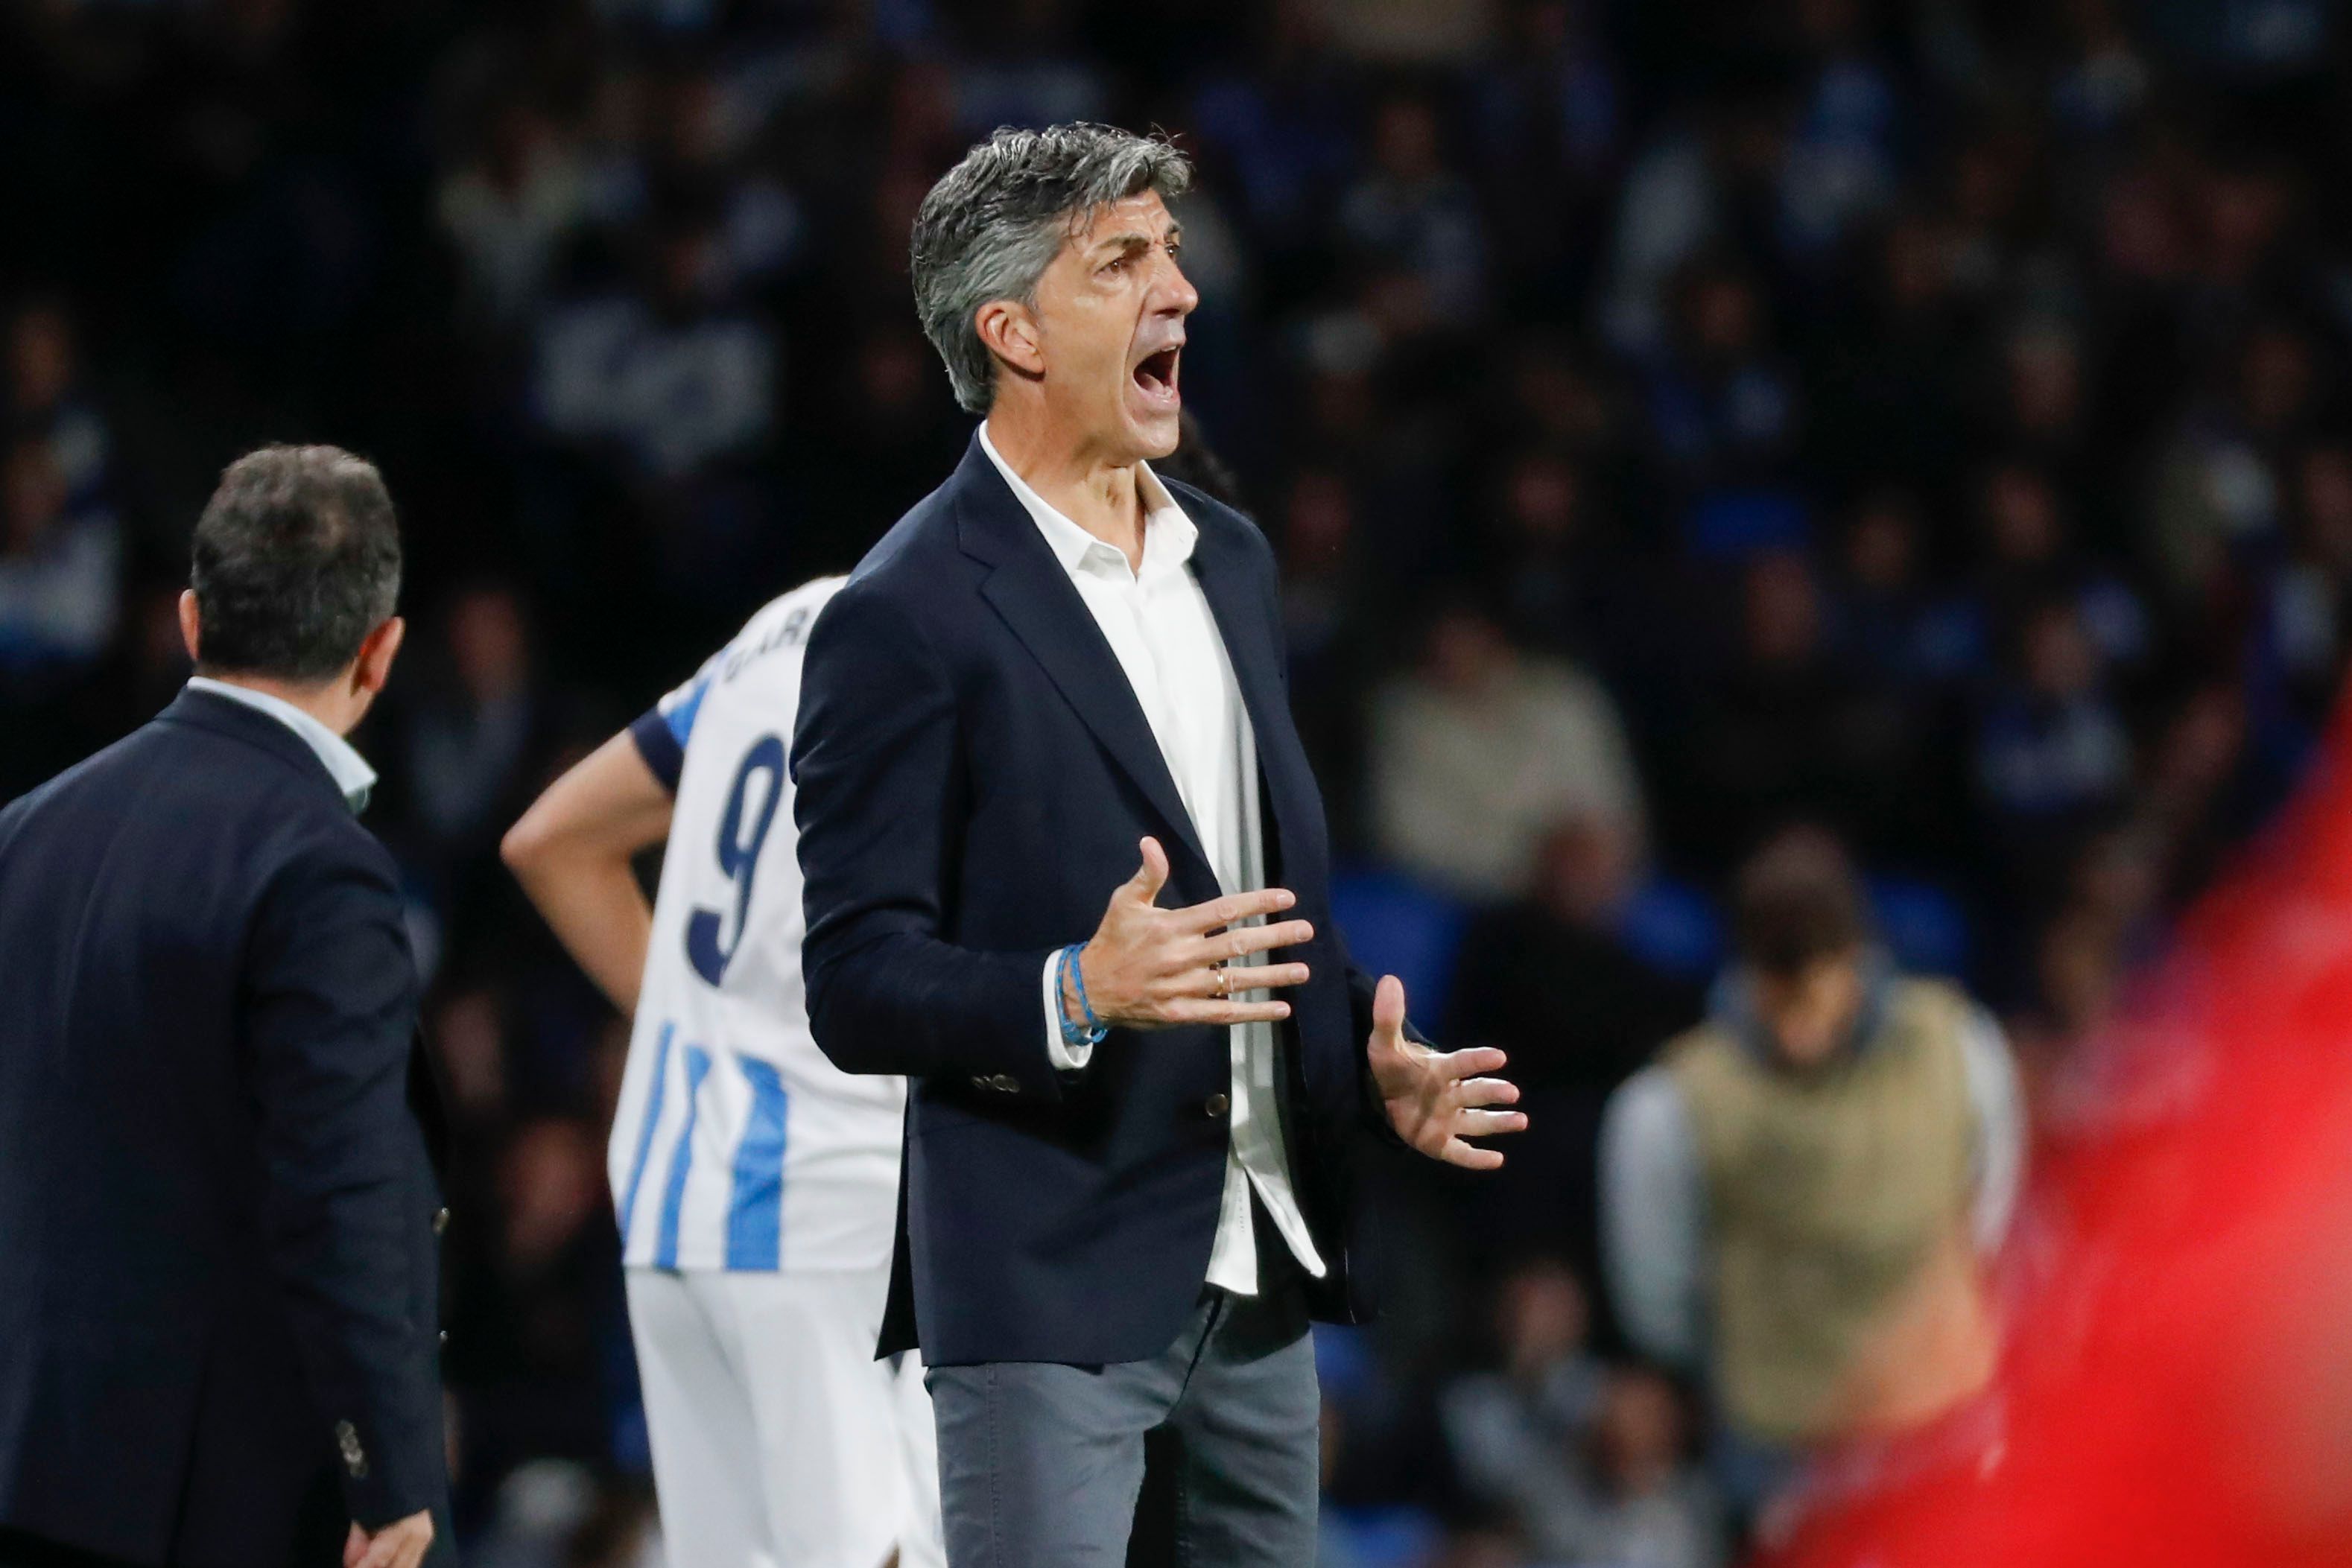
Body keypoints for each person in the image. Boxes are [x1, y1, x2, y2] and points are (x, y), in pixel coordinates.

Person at [790, 123, 1526, 1567]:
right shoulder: (906, 611)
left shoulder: (1230, 560)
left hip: (1259, 1278)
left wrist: (1364, 1064)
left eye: (1172, 251)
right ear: (1010, 331)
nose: (1177, 290)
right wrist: (1071, 989)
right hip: (1049, 1285)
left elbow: (1255, 894)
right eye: (1122, 261)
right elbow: (854, 976)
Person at [0, 445, 447, 1568]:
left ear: (192, 622)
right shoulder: (321, 867)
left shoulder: (28, 830)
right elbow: (337, 1187)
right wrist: (387, 1469)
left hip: (32, 1462)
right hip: (220, 1499)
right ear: (380, 651)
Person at [501, 574, 944, 1568]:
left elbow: (551, 842)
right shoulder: (975, 645)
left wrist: (695, 1031)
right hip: (816, 1202)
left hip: (675, 1200)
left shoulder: (789, 623)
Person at [1598, 828, 2022, 1518]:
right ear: (1743, 971)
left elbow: (1989, 1208)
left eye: (1820, 986)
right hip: (1778, 1454)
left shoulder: (1959, 1048)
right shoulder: (1668, 1106)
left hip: (1942, 1421)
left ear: (1858, 957)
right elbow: (1659, 1298)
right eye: (1776, 988)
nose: (1799, 1028)